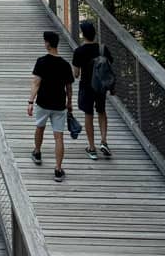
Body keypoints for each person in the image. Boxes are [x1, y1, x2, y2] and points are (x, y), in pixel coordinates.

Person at [28, 30, 74, 181]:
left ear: (48, 44)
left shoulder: (41, 61)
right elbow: (69, 87)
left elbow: (36, 83)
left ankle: (37, 152)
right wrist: (69, 103)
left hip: (43, 103)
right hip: (59, 104)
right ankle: (58, 169)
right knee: (58, 136)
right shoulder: (65, 65)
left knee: (40, 127)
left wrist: (30, 102)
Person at [72, 19, 114, 160]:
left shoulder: (79, 51)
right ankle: (104, 141)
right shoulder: (102, 49)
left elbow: (76, 74)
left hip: (86, 86)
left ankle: (91, 147)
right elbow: (109, 64)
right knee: (102, 112)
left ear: (83, 34)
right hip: (100, 87)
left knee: (88, 115)